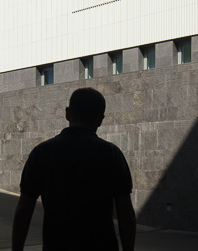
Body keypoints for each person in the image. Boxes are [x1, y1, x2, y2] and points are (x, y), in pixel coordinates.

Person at [12, 87, 136, 251]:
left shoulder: (41, 153)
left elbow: (23, 210)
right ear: (100, 119)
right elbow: (125, 213)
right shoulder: (111, 154)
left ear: (68, 113)